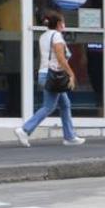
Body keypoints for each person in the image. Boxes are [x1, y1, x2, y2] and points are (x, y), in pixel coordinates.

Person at [14, 10, 85, 147]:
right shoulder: (57, 36)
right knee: (48, 106)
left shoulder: (43, 36)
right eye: (63, 22)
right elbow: (61, 59)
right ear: (59, 23)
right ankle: (25, 129)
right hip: (53, 75)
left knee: (65, 104)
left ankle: (69, 137)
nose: (64, 24)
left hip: (46, 74)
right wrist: (71, 74)